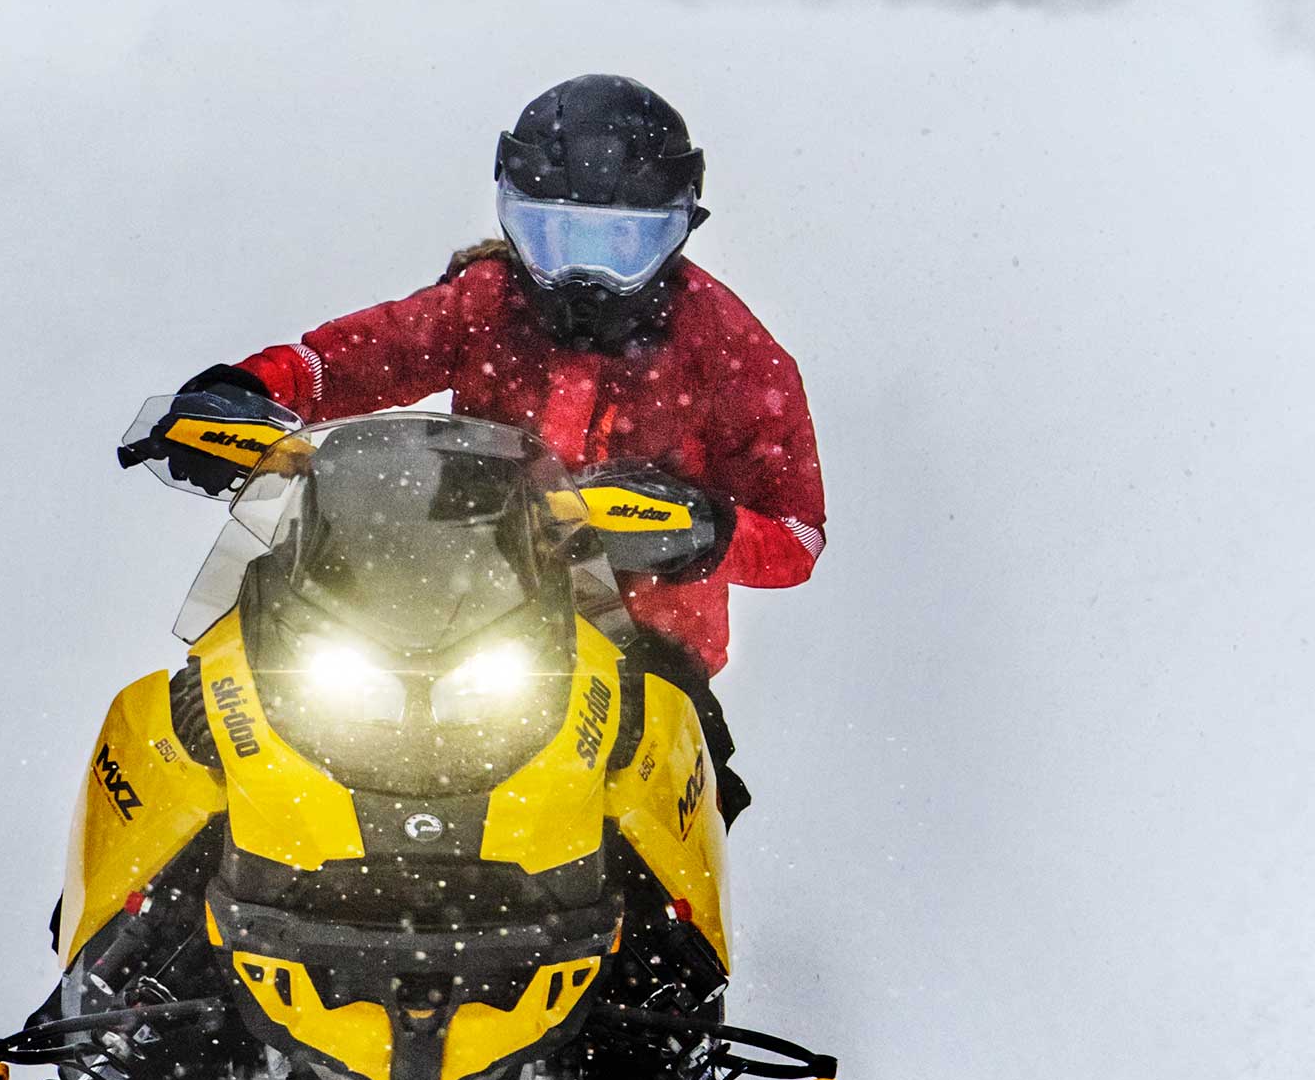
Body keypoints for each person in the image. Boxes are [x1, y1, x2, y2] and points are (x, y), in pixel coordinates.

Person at [138, 73, 821, 816]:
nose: (583, 276)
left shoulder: (728, 349)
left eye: (620, 244)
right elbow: (355, 357)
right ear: (511, 217)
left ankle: (680, 928)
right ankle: (146, 895)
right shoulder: (486, 301)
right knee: (219, 715)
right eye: (555, 238)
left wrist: (707, 532)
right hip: (455, 592)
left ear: (680, 229)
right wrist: (253, 389)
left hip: (637, 645)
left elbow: (799, 533)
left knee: (676, 788)